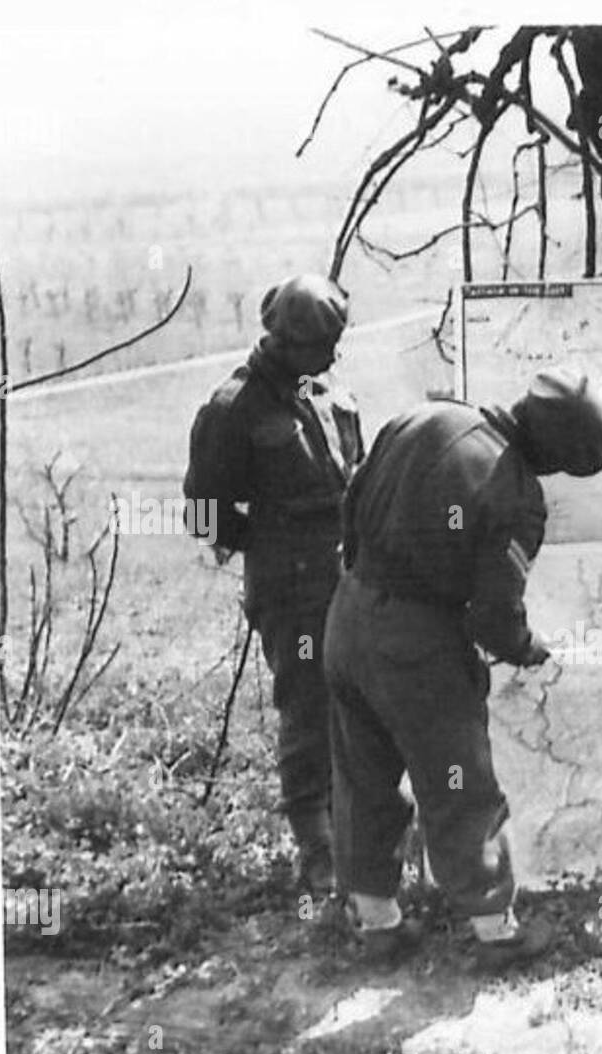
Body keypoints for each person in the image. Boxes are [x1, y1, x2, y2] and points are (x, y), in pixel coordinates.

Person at [323, 367, 602, 965]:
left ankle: (378, 922)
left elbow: (350, 506)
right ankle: (494, 931)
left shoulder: (425, 416)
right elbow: (492, 617)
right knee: (458, 782)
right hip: (417, 646)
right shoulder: (514, 494)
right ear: (558, 453)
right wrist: (525, 647)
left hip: (346, 618)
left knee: (362, 775)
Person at [185, 273, 363, 898]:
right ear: (287, 341)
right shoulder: (233, 407)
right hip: (290, 589)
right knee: (308, 708)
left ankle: (362, 832)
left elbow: (356, 475)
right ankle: (317, 850)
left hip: (347, 577)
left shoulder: (328, 391)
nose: (334, 356)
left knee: (359, 704)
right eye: (323, 345)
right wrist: (252, 537)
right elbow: (204, 510)